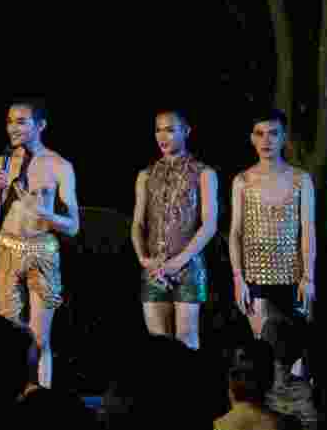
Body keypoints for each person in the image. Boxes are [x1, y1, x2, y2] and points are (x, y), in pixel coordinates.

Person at [0, 98, 79, 389]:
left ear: (41, 125)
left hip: (42, 251)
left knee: (40, 338)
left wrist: (45, 213)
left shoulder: (59, 165)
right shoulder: (0, 164)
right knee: (9, 336)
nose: (13, 128)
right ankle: (9, 398)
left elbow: (73, 226)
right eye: (10, 121)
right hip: (8, 249)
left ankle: (40, 401)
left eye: (21, 122)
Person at [131, 110, 217, 349]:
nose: (163, 136)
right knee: (158, 345)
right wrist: (143, 259)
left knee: (187, 342)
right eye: (158, 129)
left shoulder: (204, 173)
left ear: (186, 132)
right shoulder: (146, 175)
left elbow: (209, 225)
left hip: (188, 267)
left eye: (170, 129)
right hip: (153, 268)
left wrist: (178, 262)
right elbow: (138, 223)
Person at [229, 108, 316, 338]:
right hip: (255, 275)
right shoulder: (242, 181)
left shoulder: (301, 179)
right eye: (260, 133)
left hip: (293, 275)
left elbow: (308, 230)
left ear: (284, 137)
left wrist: (309, 277)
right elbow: (236, 232)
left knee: (296, 353)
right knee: (263, 348)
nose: (266, 140)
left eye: (273, 133)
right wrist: (238, 277)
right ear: (252, 138)